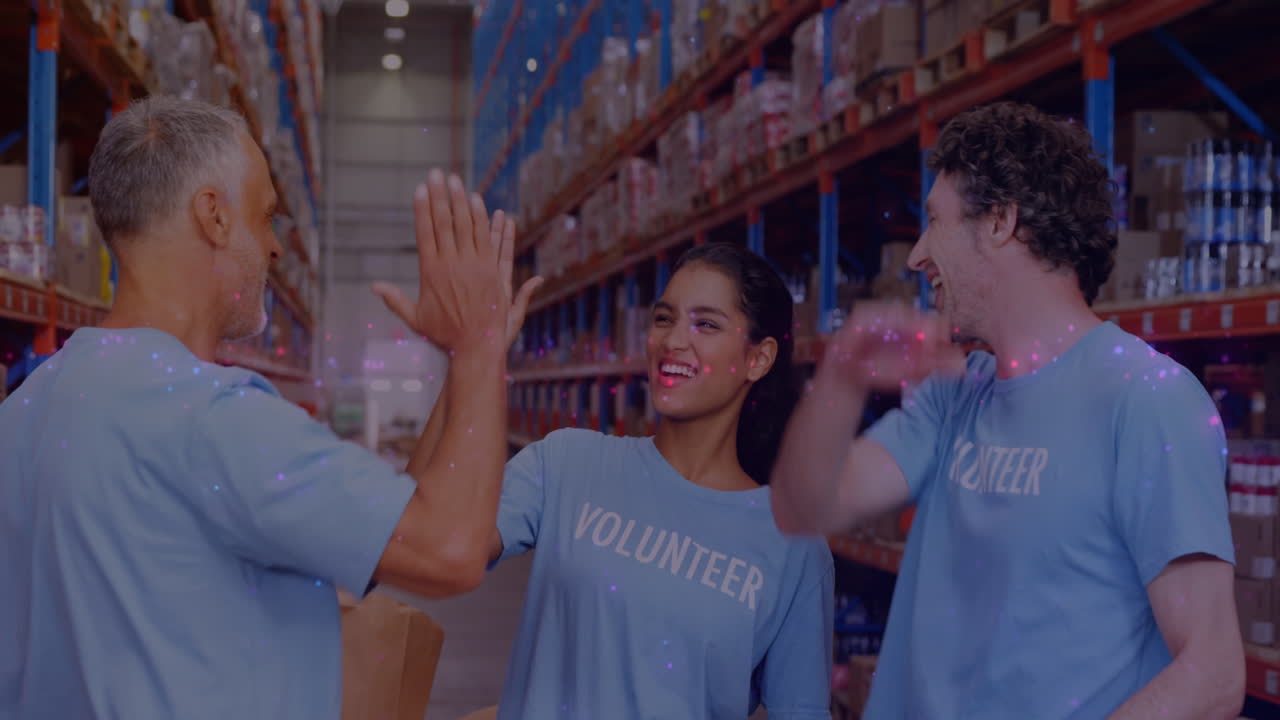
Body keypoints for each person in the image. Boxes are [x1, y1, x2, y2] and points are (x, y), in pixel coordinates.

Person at [0, 96, 537, 719]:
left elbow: (391, 531)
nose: (276, 248)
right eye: (265, 218)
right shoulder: (212, 420)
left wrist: (458, 368)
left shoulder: (29, 406)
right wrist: (480, 348)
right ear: (214, 217)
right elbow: (449, 550)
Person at [770, 101, 1244, 719]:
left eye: (934, 221)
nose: (915, 257)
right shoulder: (955, 390)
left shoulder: (1149, 400)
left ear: (999, 221)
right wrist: (843, 377)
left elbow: (1211, 674)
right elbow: (805, 504)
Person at [399, 242, 834, 719]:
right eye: (664, 318)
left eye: (705, 324)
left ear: (758, 358)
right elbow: (421, 538)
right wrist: (472, 359)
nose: (673, 341)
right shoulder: (568, 463)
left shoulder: (792, 546)